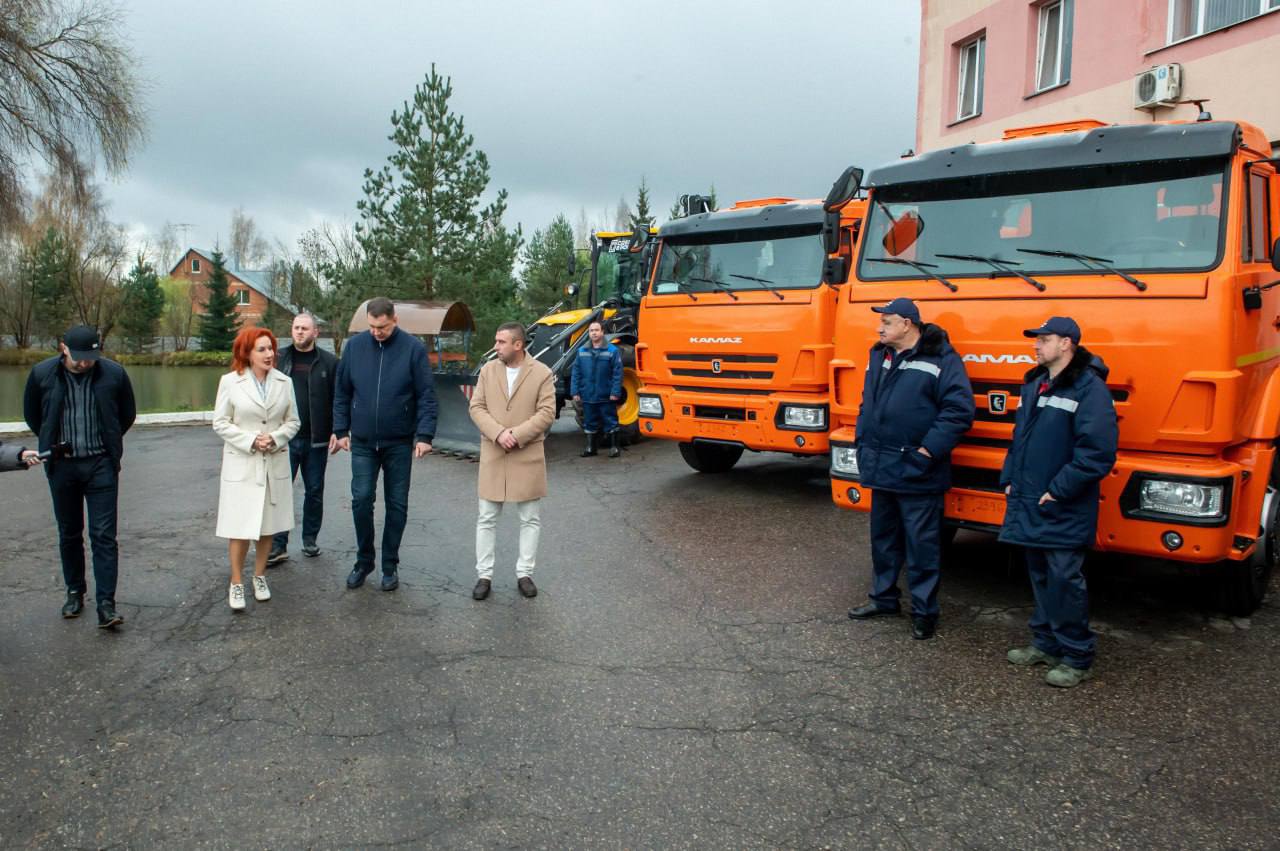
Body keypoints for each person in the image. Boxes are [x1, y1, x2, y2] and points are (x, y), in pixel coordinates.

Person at [1000, 316, 1117, 688]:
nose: (1036, 345)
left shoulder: (1089, 389)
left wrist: (1059, 489)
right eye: (1036, 339)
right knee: (1039, 574)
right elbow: (1021, 437)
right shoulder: (1036, 382)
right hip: (1031, 497)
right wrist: (1009, 478)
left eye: (1044, 339)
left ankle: (1077, 656)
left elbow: (1097, 453)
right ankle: (1046, 644)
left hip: (1062, 503)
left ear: (1066, 344)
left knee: (1065, 579)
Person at [847, 298, 974, 640]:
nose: (880, 328)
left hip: (918, 470)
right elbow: (867, 403)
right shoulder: (880, 354)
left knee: (922, 545)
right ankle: (884, 599)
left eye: (886, 322)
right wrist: (862, 441)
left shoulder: (941, 358)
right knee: (883, 540)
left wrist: (925, 453)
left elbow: (959, 412)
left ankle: (924, 612)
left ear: (907, 324)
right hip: (882, 465)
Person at [23, 325, 136, 628]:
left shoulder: (113, 374)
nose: (86, 363)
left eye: (92, 357)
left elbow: (126, 415)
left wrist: (109, 444)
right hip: (62, 467)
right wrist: (52, 444)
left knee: (103, 536)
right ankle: (75, 592)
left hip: (101, 464)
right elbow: (34, 416)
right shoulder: (41, 375)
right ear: (63, 349)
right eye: (80, 357)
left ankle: (106, 605)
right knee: (69, 532)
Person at [330, 297, 436, 592]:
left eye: (383, 327)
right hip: (363, 441)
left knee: (397, 505)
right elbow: (341, 393)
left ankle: (390, 564)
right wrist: (340, 429)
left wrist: (424, 436)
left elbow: (426, 395)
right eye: (372, 327)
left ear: (395, 320)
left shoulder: (413, 350)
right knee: (361, 500)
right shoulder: (354, 348)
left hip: (399, 442)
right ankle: (364, 561)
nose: (377, 332)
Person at [212, 327, 300, 611]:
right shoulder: (230, 382)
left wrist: (275, 438)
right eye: (261, 349)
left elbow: (293, 421)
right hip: (243, 463)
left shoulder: (284, 382)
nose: (269, 354)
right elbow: (221, 422)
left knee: (267, 527)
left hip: (273, 462)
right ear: (246, 353)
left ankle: (259, 576)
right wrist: (251, 440)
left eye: (271, 348)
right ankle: (236, 582)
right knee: (239, 527)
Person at [468, 322, 556, 600]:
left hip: (527, 453)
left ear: (518, 345)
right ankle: (484, 576)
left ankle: (525, 574)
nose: (496, 347)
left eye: (501, 342)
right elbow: (476, 406)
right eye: (497, 341)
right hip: (494, 452)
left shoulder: (541, 373)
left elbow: (547, 412)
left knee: (529, 518)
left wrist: (516, 435)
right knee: (486, 517)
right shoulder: (487, 371)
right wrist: (498, 433)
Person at [267, 311, 338, 565]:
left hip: (316, 440)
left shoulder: (329, 363)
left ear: (315, 332)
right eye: (296, 328)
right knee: (280, 491)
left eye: (305, 328)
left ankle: (310, 540)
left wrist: (338, 431)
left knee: (314, 491)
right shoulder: (278, 358)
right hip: (284, 439)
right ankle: (278, 544)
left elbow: (337, 400)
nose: (300, 332)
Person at [570, 320, 623, 458]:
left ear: (602, 332)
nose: (594, 333)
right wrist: (575, 391)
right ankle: (591, 448)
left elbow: (618, 373)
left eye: (596, 330)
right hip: (588, 395)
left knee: (610, 420)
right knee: (589, 421)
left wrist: (615, 392)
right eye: (591, 330)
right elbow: (576, 372)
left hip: (606, 395)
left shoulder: (612, 351)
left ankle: (614, 447)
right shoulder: (582, 351)